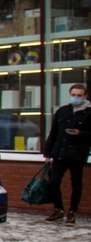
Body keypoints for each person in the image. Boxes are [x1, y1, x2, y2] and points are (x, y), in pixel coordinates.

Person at [42, 82, 91, 225]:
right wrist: (47, 153)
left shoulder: (88, 113)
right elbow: (53, 133)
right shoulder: (63, 111)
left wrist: (80, 133)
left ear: (85, 96)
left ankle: (72, 212)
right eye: (74, 95)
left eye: (79, 95)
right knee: (54, 182)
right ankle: (58, 209)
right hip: (60, 153)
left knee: (76, 184)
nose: (76, 97)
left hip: (77, 154)